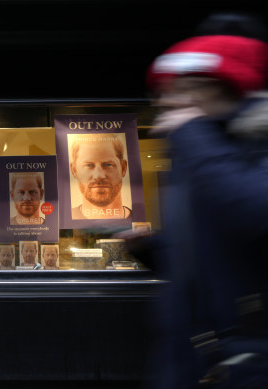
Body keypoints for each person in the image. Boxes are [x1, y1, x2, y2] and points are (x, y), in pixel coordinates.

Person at [144, 19, 268, 388]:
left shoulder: (243, 144)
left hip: (250, 359)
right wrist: (150, 248)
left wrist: (194, 135)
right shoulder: (199, 153)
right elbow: (208, 256)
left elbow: (254, 211)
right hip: (192, 358)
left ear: (218, 87)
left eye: (182, 90)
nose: (166, 102)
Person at [69, 134, 130, 219]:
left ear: (123, 168)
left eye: (108, 165)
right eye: (89, 165)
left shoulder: (138, 221)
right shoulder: (64, 220)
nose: (99, 176)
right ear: (74, 170)